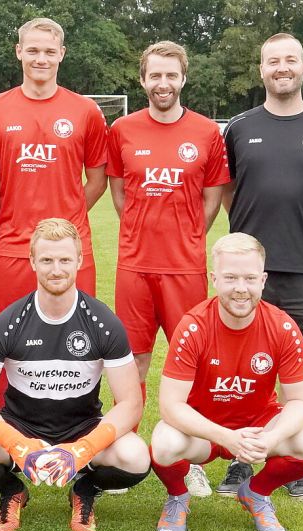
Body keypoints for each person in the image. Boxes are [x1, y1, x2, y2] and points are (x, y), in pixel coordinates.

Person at [218, 32, 303, 501]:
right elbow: (228, 189)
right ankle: (239, 460)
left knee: (293, 371)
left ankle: (293, 462)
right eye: (273, 61)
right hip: (245, 276)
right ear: (262, 70)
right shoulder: (238, 127)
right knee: (242, 369)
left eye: (290, 60)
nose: (282, 68)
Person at [0, 219, 150, 531]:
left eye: (64, 260)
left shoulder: (103, 323)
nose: (55, 269)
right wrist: (17, 444)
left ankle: (84, 491)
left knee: (136, 457)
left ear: (79, 261)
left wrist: (84, 448)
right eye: (46, 260)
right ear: (32, 261)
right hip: (21, 430)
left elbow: (131, 403)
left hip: (81, 431)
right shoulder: (8, 323)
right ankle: (11, 491)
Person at [106, 40, 229, 497]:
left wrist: (187, 236)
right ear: (143, 80)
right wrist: (144, 231)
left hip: (185, 268)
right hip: (135, 266)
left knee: (191, 363)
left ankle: (191, 454)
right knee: (131, 361)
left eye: (171, 75)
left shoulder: (206, 132)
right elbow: (120, 194)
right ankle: (125, 452)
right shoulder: (122, 130)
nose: (163, 83)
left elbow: (211, 199)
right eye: (154, 75)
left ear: (183, 77)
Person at [150, 233, 303, 531]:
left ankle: (256, 493)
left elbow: (300, 401)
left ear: (263, 280)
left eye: (249, 278)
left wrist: (270, 439)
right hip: (204, 429)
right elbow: (170, 405)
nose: (240, 288)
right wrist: (225, 437)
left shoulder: (283, 327)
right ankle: (178, 497)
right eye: (230, 277)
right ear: (214, 279)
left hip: (257, 427)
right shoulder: (193, 326)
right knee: (164, 444)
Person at [0, 18, 109, 410]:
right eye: (32, 50)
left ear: (62, 55)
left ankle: (77, 432)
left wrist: (64, 226)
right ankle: (5, 435)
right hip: (11, 250)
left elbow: (97, 180)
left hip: (72, 252)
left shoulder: (85, 111)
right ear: (18, 52)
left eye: (49, 51)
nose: (40, 58)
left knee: (79, 343)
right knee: (5, 344)